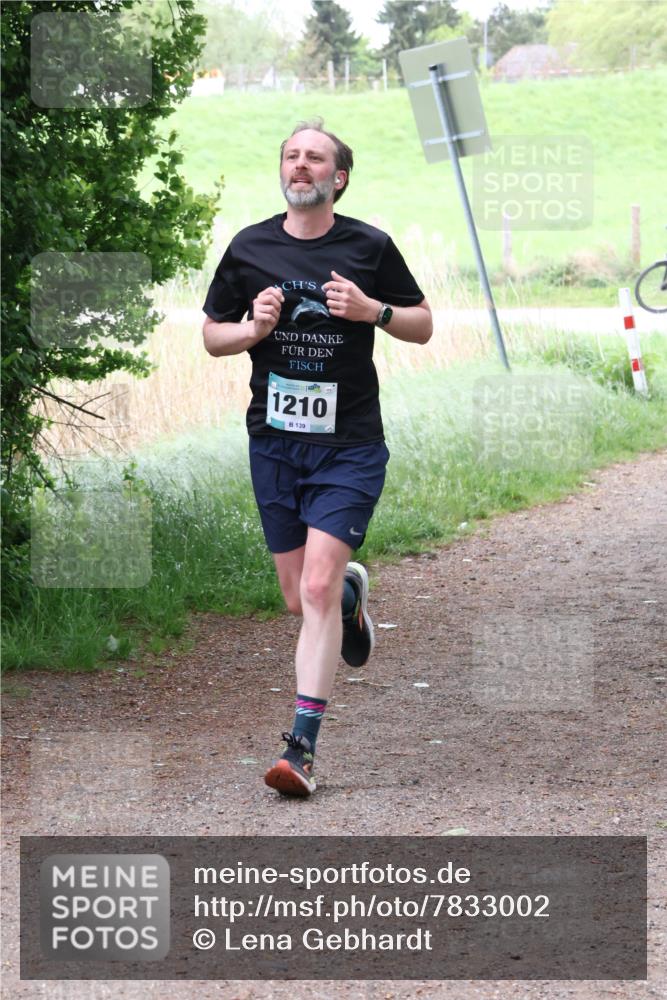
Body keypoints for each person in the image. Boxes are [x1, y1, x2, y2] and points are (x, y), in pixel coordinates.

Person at [202, 119, 432, 798]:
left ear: (338, 178)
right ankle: (351, 602)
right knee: (298, 597)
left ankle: (300, 749)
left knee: (312, 590)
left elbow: (421, 322)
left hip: (350, 445)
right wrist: (254, 328)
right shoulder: (250, 247)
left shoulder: (368, 245)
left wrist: (372, 311)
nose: (300, 166)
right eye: (291, 156)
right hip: (273, 443)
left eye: (315, 159)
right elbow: (213, 336)